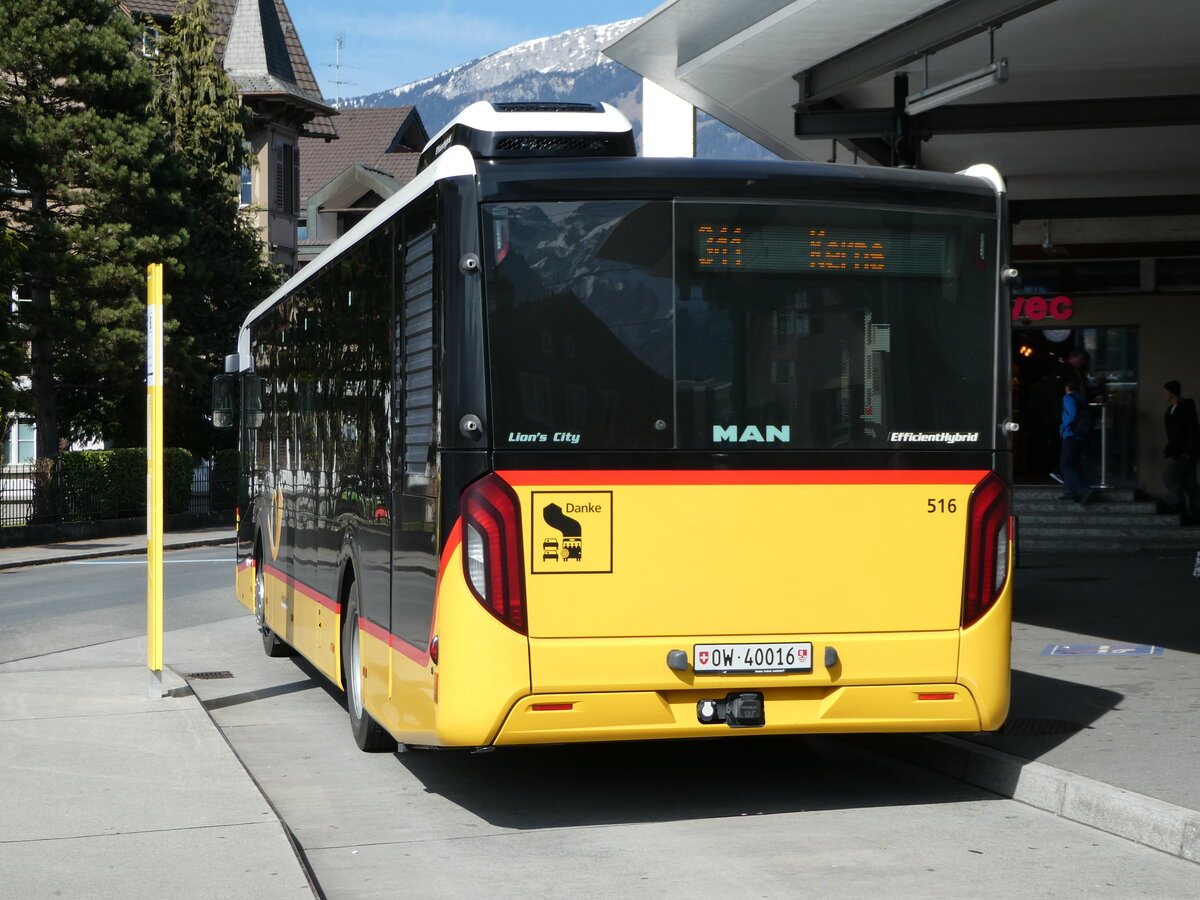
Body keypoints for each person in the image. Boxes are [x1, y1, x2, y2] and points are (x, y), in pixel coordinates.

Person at [1161, 379, 1200, 520]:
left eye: (1165, 392)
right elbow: (1173, 436)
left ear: (1171, 393)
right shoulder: (1170, 411)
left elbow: (1192, 430)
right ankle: (1195, 509)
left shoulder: (1185, 408)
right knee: (1189, 480)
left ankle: (1178, 504)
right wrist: (1168, 450)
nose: (1163, 395)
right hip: (1180, 451)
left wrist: (1189, 451)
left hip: (1185, 453)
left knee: (1171, 476)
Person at [1057, 370, 1092, 503]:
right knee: (1073, 464)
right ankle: (1069, 492)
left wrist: (1063, 428)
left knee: (1065, 464)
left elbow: (1070, 415)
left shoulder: (1068, 398)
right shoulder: (1080, 398)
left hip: (1071, 434)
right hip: (1081, 434)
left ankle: (1083, 489)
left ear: (1066, 386)